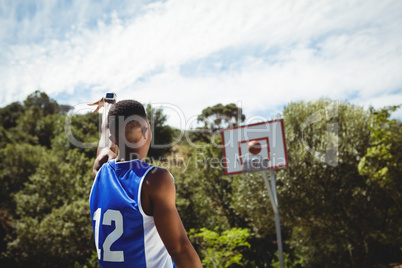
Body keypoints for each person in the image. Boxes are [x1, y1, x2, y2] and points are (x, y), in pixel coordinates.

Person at [88, 97, 202, 268]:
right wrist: (109, 105)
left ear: (113, 138)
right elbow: (180, 249)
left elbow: (105, 140)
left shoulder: (101, 170)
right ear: (146, 132)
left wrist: (109, 106)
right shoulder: (154, 180)